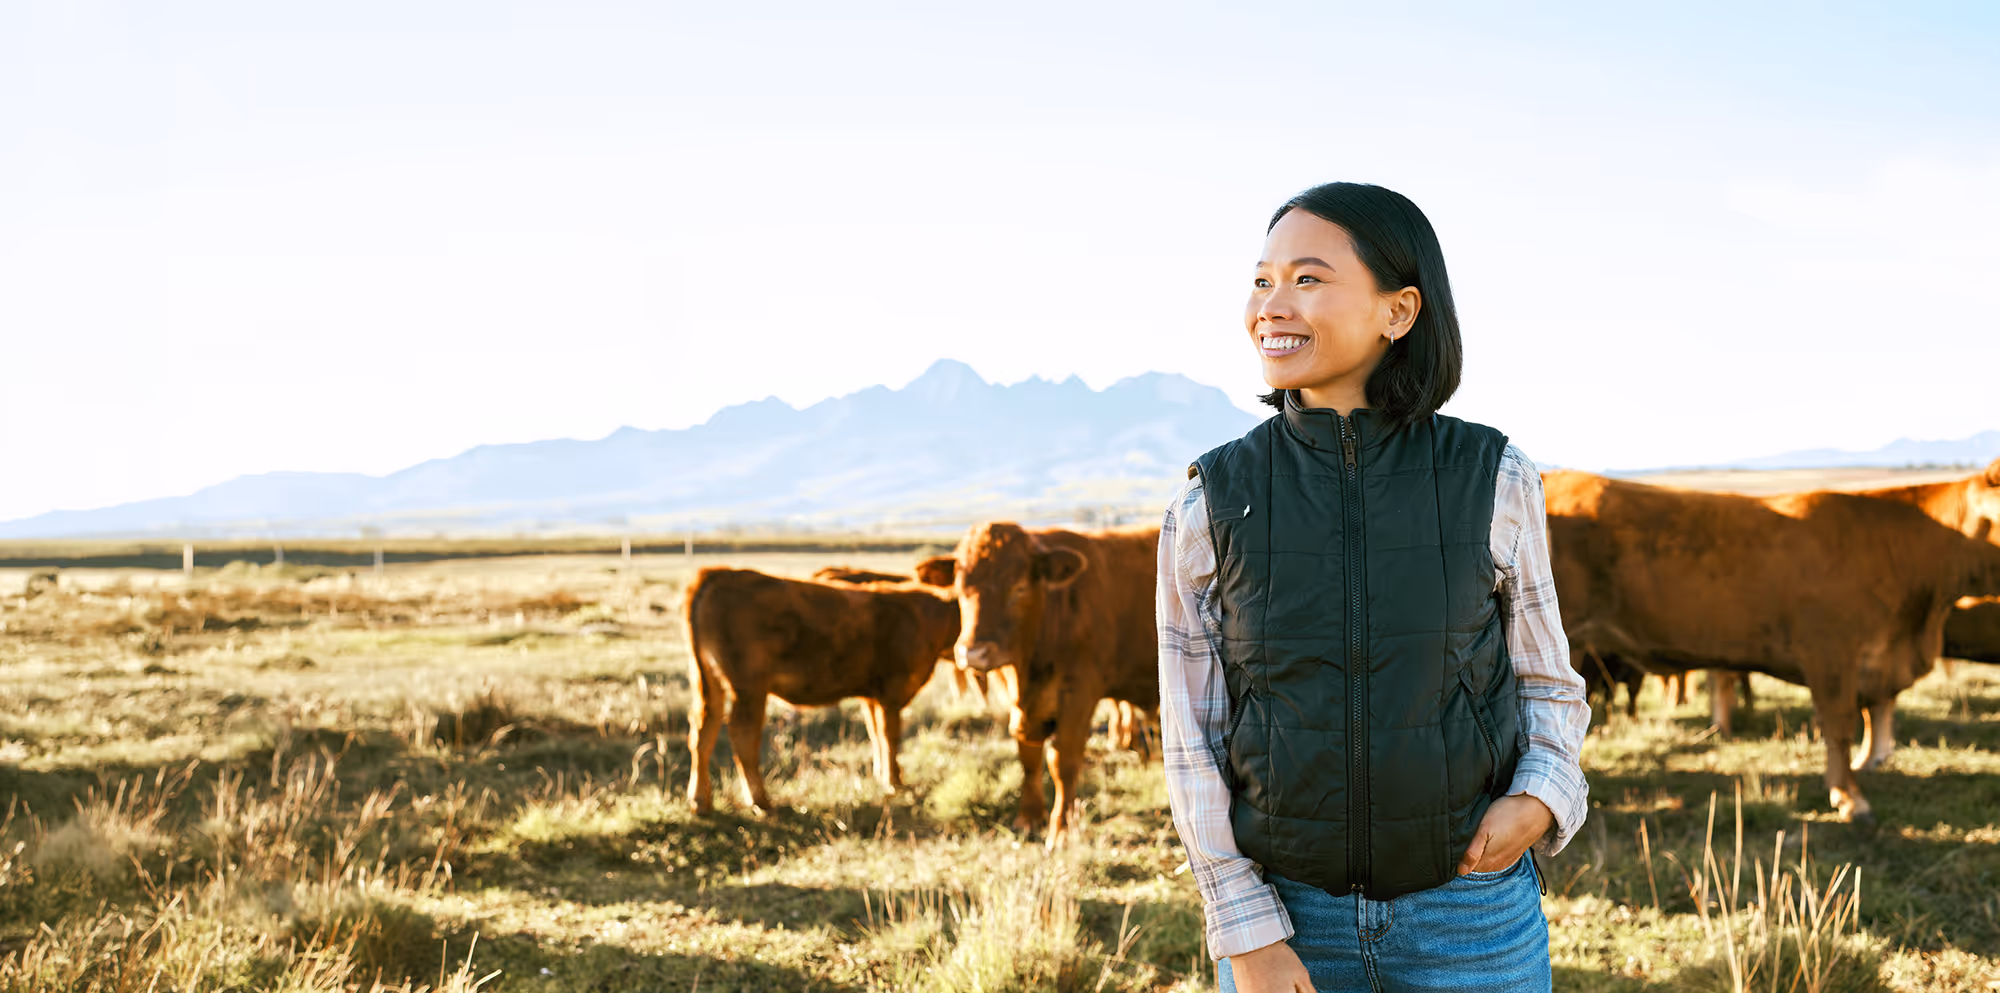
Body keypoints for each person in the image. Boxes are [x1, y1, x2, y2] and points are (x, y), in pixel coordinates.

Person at [1157, 182, 1590, 992]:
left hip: (1472, 916)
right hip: (1288, 921)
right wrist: (1244, 930)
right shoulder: (1210, 498)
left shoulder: (1492, 475)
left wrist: (1542, 796)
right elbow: (1192, 737)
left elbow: (1547, 681)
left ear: (1399, 312)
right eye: (1262, 280)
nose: (1271, 305)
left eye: (1308, 279)